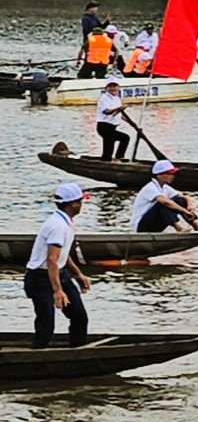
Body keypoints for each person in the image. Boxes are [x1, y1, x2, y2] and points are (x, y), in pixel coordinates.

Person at [26, 183, 89, 347]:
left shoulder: (67, 222)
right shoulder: (57, 226)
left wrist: (78, 274)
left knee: (79, 316)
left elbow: (63, 254)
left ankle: (78, 351)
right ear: (73, 204)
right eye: (81, 201)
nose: (82, 205)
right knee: (46, 323)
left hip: (60, 274)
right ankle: (36, 355)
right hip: (40, 278)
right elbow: (51, 259)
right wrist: (57, 291)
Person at [129, 160, 198, 233]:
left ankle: (196, 226)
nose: (172, 176)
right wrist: (183, 210)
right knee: (164, 204)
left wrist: (190, 205)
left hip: (155, 224)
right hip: (141, 226)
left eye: (173, 174)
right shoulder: (150, 187)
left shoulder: (165, 188)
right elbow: (164, 202)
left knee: (180, 200)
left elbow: (184, 196)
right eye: (169, 174)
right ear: (159, 175)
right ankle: (179, 227)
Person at [94, 77, 129, 160]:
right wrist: (119, 108)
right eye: (110, 86)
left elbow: (119, 114)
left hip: (112, 127)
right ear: (107, 88)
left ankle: (116, 157)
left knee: (123, 139)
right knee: (122, 139)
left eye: (115, 86)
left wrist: (131, 123)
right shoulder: (104, 98)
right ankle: (116, 158)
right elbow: (107, 112)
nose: (113, 88)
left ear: (118, 87)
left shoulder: (117, 99)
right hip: (104, 126)